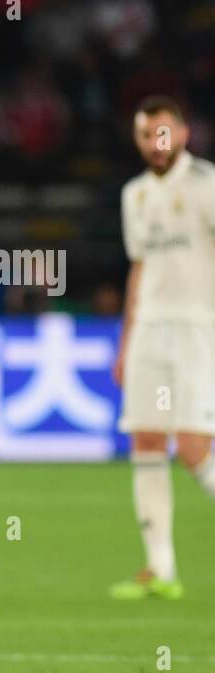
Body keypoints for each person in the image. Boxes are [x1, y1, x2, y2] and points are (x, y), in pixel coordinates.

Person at [110, 96, 215, 601]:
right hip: (150, 328)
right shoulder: (133, 195)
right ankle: (160, 567)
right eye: (147, 135)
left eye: (164, 133)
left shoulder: (206, 185)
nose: (156, 143)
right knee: (147, 440)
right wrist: (126, 343)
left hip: (199, 328)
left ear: (184, 133)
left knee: (195, 449)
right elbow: (139, 268)